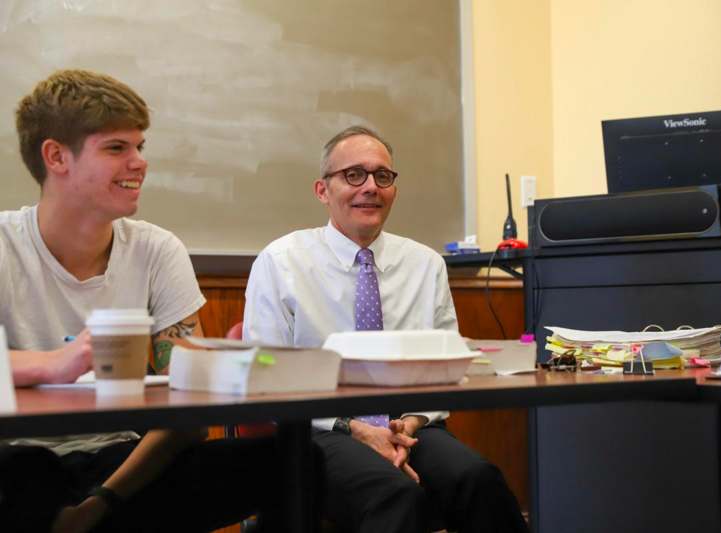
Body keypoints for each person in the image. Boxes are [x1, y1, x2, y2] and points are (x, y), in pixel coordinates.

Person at [0, 69, 285, 533]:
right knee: (27, 475)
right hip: (17, 460)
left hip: (123, 466)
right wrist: (54, 364)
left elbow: (187, 414)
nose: (139, 163)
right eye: (116, 148)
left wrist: (100, 504)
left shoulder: (157, 249)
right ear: (56, 156)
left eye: (140, 147)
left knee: (294, 460)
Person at [243, 125, 528, 533]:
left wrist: (408, 424)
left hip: (406, 424)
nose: (371, 187)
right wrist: (355, 428)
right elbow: (264, 375)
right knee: (394, 493)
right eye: (353, 175)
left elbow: (445, 371)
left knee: (478, 479)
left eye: (383, 176)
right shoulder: (281, 262)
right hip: (318, 429)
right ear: (322, 190)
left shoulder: (424, 264)